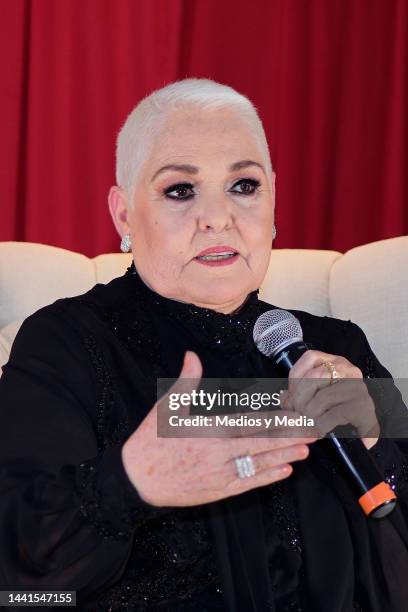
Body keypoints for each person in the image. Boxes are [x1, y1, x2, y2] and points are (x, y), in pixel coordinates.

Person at [0, 78, 407, 612]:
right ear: (124, 215)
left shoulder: (334, 346)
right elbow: (19, 581)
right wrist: (128, 485)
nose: (218, 217)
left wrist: (375, 442)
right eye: (180, 190)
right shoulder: (66, 344)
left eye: (244, 185)